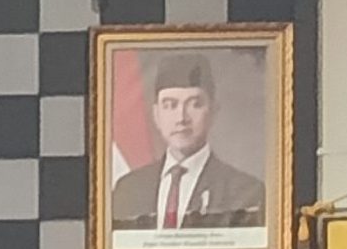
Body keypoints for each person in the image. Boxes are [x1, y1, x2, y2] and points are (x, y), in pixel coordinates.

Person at [109, 54, 265, 231]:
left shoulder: (246, 192)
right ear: (156, 114)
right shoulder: (128, 189)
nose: (181, 118)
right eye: (170, 105)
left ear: (213, 111)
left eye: (194, 104)